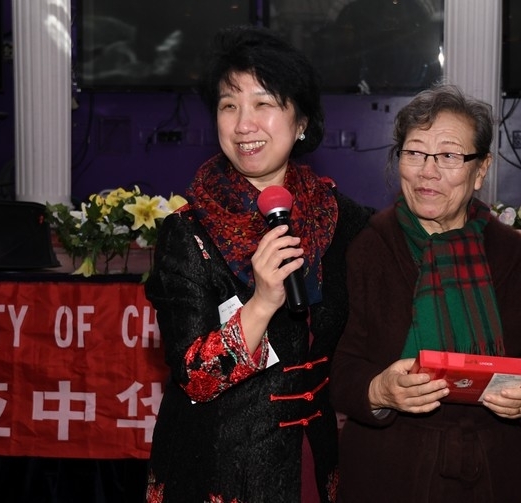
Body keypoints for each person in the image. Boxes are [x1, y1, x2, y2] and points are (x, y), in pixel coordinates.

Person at [142, 25, 373, 503]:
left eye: (263, 103)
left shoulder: (342, 219)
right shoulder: (188, 233)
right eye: (229, 105)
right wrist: (263, 302)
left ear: (301, 120)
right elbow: (196, 379)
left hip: (313, 458)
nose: (243, 124)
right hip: (219, 465)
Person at [329, 84, 521, 503]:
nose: (428, 172)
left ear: (481, 169)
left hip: (492, 470)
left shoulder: (513, 253)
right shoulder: (367, 248)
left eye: (448, 156)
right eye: (415, 153)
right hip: (387, 469)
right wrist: (377, 390)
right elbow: (335, 362)